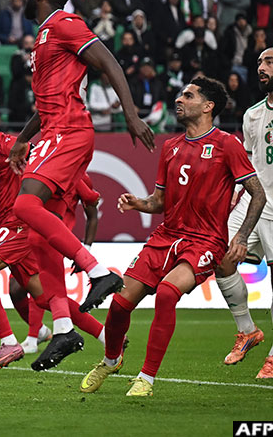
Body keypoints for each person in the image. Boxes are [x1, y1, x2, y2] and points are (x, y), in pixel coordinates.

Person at [6, 0, 155, 371]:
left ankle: (98, 271)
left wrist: (131, 114)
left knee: (24, 206)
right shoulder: (44, 35)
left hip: (69, 132)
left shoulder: (66, 24)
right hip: (52, 130)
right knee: (39, 241)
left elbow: (109, 63)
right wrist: (22, 137)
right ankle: (64, 331)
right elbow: (47, 102)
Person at [81, 77, 266, 398]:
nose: (179, 99)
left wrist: (241, 235)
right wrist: (139, 203)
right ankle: (111, 360)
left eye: (188, 95)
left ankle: (146, 379)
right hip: (165, 237)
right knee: (120, 304)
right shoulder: (171, 147)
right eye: (181, 94)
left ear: (208, 106)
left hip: (205, 241)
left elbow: (257, 193)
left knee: (167, 294)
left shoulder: (227, 144)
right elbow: (160, 202)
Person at [0, 100, 105, 369]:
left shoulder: (6, 144)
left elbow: (48, 165)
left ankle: (9, 342)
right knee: (45, 298)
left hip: (18, 221)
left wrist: (76, 191)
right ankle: (107, 336)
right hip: (2, 226)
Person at [214, 48, 273, 375]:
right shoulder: (251, 115)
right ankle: (248, 330)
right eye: (260, 63)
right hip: (255, 203)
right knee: (219, 258)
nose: (261, 68)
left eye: (269, 62)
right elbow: (248, 166)